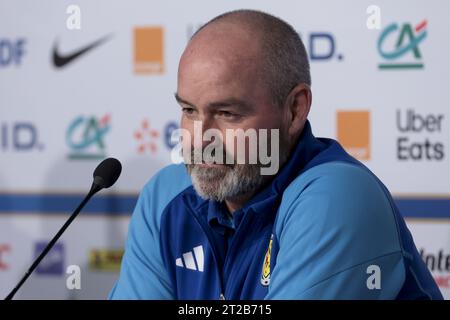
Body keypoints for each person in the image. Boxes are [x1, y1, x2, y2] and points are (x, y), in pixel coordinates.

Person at [109, 9, 442, 299]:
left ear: (295, 110)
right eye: (189, 110)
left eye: (227, 113)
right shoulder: (166, 195)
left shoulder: (336, 196)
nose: (201, 137)